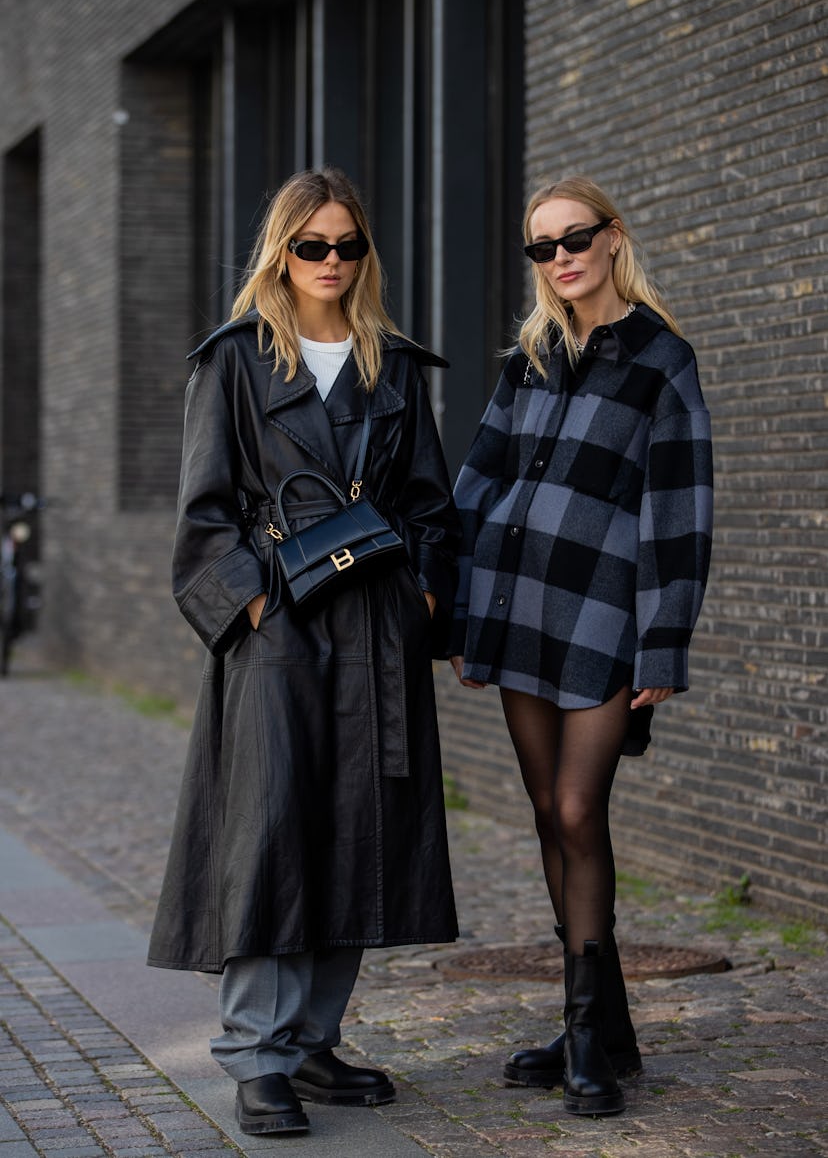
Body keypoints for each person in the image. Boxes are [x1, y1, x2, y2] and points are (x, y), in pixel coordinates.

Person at [148, 166, 460, 1138]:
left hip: (375, 624)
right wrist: (254, 613)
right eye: (311, 245)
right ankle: (256, 1054)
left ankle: (314, 1040)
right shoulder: (236, 360)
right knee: (275, 829)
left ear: (365, 253)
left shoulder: (394, 363)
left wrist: (422, 594)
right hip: (280, 624)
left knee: (360, 827)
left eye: (346, 246)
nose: (329, 261)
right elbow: (204, 514)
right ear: (280, 253)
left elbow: (427, 500)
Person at [449, 175, 713, 1116]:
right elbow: (478, 486)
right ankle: (595, 1024)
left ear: (612, 238)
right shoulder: (526, 361)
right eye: (542, 246)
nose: (559, 256)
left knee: (575, 811)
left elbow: (677, 508)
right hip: (519, 608)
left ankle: (592, 1036)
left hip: (603, 616)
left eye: (574, 238)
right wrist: (460, 617)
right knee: (541, 811)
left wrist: (664, 641)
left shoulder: (660, 360)